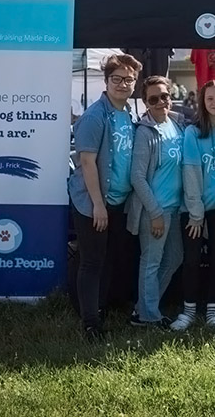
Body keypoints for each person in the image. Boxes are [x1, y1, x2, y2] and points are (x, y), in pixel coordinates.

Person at [68, 53, 143, 341]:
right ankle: (90, 323)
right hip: (92, 202)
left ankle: (99, 307)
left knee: (110, 258)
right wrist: (98, 205)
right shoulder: (94, 116)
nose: (122, 84)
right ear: (107, 80)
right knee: (92, 262)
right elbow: (87, 162)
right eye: (117, 79)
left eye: (128, 79)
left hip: (117, 200)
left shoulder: (127, 114)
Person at [171, 80, 215, 331]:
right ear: (203, 102)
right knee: (191, 259)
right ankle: (188, 311)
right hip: (193, 209)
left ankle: (213, 313)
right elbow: (191, 175)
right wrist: (196, 214)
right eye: (210, 99)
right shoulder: (193, 132)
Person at [126, 75, 185, 327]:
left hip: (174, 208)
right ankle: (148, 317)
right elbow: (137, 177)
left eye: (165, 96)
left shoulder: (176, 124)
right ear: (145, 102)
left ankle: (143, 307)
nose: (161, 102)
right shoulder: (144, 132)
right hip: (155, 210)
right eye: (154, 99)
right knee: (151, 263)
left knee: (174, 258)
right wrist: (155, 212)